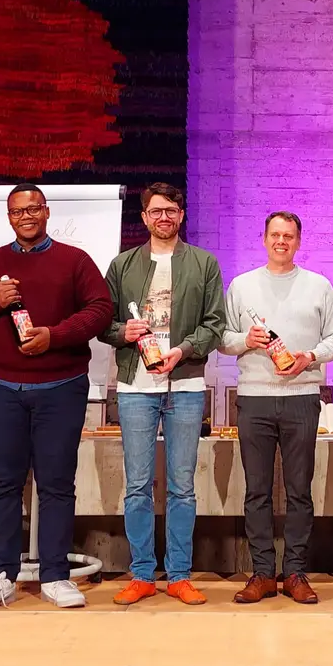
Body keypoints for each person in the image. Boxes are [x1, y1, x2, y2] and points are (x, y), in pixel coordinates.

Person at [0, 184, 113, 611]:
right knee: (2, 486)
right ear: (9, 217)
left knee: (57, 486)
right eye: (18, 210)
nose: (26, 215)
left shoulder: (74, 260)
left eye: (34, 208)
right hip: (1, 388)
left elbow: (100, 310)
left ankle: (56, 576)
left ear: (46, 212)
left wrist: (54, 337)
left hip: (61, 387)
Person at [99, 182, 225, 606]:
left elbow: (215, 324)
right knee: (137, 486)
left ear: (181, 215)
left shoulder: (204, 263)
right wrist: (123, 331)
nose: (164, 217)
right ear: (144, 218)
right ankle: (140, 574)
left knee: (182, 486)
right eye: (156, 211)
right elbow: (102, 322)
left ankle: (179, 574)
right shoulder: (122, 265)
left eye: (171, 210)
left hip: (186, 383)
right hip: (136, 386)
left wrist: (183, 350)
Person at [221, 211, 333, 605]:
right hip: (254, 397)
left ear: (298, 240)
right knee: (256, 491)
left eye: (289, 236)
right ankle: (261, 573)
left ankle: (294, 572)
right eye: (275, 235)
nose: (281, 241)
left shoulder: (318, 285)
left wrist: (309, 356)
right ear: (263, 239)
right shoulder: (242, 286)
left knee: (299, 491)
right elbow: (223, 340)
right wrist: (247, 339)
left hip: (302, 398)